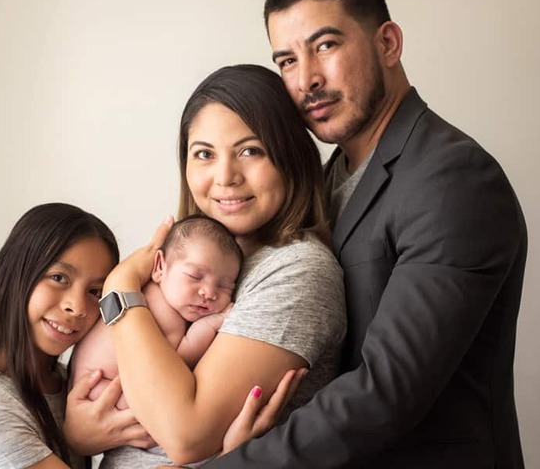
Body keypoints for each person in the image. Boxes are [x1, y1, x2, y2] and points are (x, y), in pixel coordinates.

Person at [203, 0, 528, 468]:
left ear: (389, 44)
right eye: (286, 60)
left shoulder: (454, 178)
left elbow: (386, 390)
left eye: (325, 45)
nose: (306, 79)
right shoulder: (322, 180)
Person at [66, 64, 347, 468]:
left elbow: (186, 435)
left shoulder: (297, 271)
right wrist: (74, 436)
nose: (226, 176)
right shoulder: (188, 256)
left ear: (291, 155)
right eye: (204, 154)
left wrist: (120, 284)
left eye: (251, 150)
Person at [0, 203, 154, 469]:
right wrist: (77, 440)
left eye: (95, 291)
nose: (76, 307)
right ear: (16, 274)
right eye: (59, 277)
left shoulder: (66, 383)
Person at [69, 215, 242, 410]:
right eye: (195, 276)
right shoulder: (159, 307)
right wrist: (212, 322)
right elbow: (177, 362)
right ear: (160, 267)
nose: (209, 293)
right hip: (101, 389)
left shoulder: (148, 291)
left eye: (224, 286)